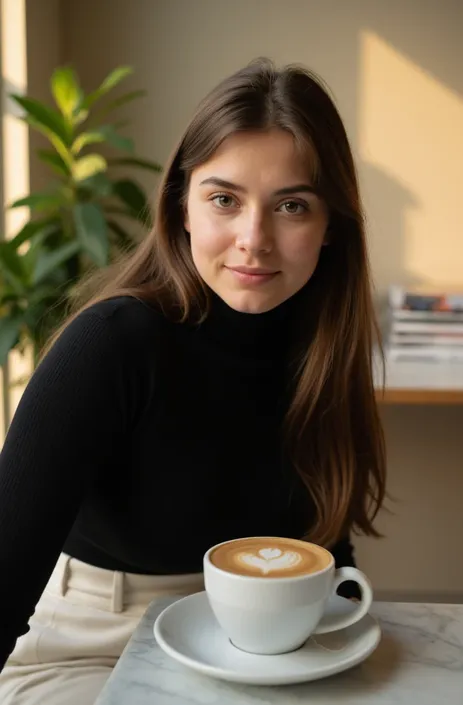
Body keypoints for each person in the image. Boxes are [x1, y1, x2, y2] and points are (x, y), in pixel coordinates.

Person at [0, 57, 386, 704]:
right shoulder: (112, 345)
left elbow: (329, 555)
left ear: (330, 230)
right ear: (182, 206)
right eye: (224, 200)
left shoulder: (325, 347)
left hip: (263, 654)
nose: (253, 240)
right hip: (92, 645)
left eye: (292, 205)